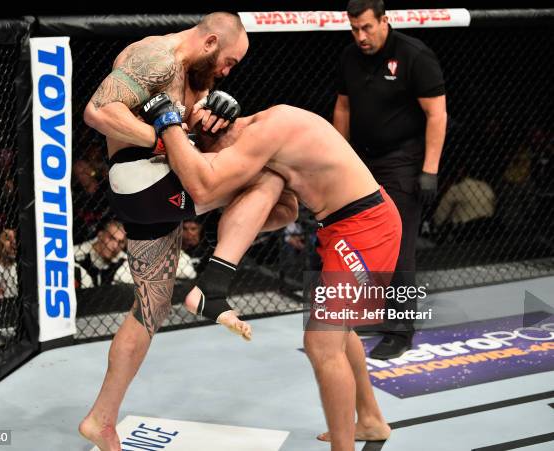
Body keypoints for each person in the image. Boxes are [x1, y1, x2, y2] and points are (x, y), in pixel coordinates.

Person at [79, 13, 296, 451]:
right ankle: (213, 283)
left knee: (151, 307)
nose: (227, 70)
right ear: (212, 41)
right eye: (229, 62)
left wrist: (213, 114)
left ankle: (101, 420)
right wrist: (161, 140)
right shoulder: (155, 56)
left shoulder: (194, 75)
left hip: (148, 192)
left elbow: (187, 131)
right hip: (144, 178)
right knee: (273, 181)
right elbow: (99, 111)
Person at [145, 96, 402, 450]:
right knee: (340, 333)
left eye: (217, 155)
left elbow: (205, 184)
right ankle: (370, 420)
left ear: (217, 133)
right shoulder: (267, 144)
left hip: (366, 226)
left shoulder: (270, 129)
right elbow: (287, 213)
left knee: (322, 343)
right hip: (341, 227)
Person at [332, 0, 447, 359]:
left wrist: (429, 169)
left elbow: (437, 114)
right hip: (363, 161)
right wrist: (339, 158)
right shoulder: (350, 57)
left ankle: (400, 330)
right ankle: (377, 313)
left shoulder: (414, 55)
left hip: (403, 161)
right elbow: (343, 107)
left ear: (385, 21)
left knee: (398, 246)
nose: (361, 36)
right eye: (354, 29)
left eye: (367, 27)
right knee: (364, 241)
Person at [74, 220, 133, 288]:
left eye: (121, 242)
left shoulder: (126, 261)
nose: (115, 245)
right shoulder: (75, 256)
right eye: (111, 238)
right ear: (100, 235)